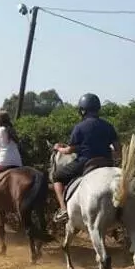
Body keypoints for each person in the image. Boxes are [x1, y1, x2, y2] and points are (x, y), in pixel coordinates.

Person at [52, 93, 120, 222]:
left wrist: (58, 148)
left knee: (57, 176)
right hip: (107, 163)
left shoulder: (80, 127)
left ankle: (63, 209)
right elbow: (118, 151)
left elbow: (70, 150)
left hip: (86, 162)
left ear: (82, 110)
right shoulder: (108, 126)